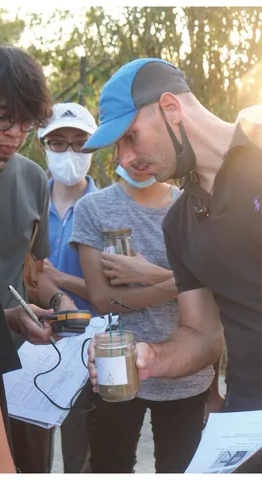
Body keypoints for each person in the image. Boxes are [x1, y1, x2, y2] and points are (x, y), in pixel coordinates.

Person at [82, 58, 261, 472]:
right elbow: (202, 334)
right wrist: (150, 357)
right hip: (246, 424)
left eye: (130, 137)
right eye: (117, 147)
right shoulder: (178, 224)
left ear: (171, 109)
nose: (125, 159)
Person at [0, 44, 77, 474]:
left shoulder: (31, 178)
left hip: (25, 365)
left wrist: (63, 307)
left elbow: (36, 274)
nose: (14, 133)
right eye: (3, 117)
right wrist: (3, 316)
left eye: (26, 122)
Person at [69, 149, 214, 472]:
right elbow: (103, 299)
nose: (138, 154)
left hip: (186, 372)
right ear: (115, 146)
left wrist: (146, 274)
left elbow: (216, 295)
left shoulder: (194, 205)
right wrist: (177, 285)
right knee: (111, 467)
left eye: (145, 141)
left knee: (182, 470)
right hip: (114, 369)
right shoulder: (93, 208)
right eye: (126, 141)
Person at [37, 102, 99, 473]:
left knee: (82, 456)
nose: (69, 153)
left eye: (80, 143)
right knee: (30, 452)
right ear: (43, 145)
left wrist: (59, 279)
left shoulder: (106, 207)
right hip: (36, 342)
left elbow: (114, 292)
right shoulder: (29, 201)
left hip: (89, 349)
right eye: (58, 143)